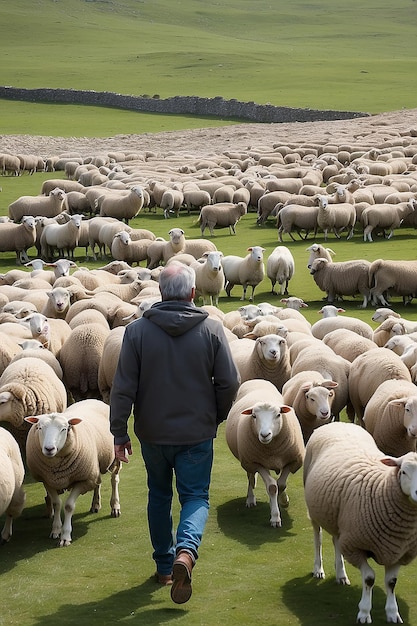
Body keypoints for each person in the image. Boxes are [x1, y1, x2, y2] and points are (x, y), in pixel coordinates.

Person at [109, 262, 240, 604]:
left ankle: (166, 568)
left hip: (152, 432)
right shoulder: (211, 329)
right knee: (195, 496)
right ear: (193, 293)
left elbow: (123, 388)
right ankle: (186, 551)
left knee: (159, 494)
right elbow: (230, 382)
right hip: (196, 432)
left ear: (162, 293)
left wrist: (119, 432)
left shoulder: (137, 332)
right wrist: (216, 416)